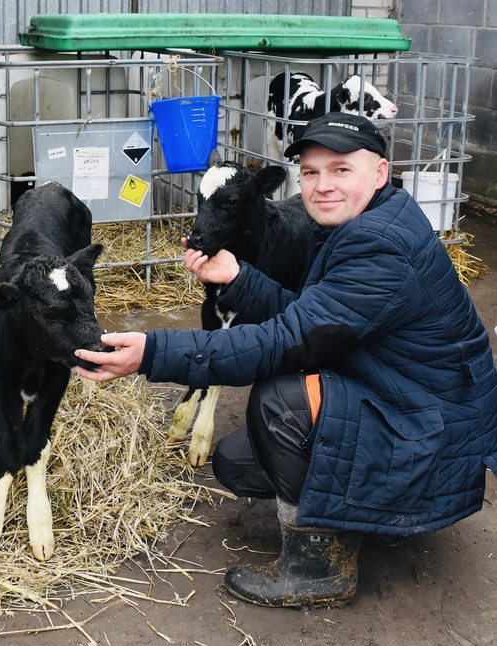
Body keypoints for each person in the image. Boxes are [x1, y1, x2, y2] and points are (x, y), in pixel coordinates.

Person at [75, 113, 497, 609]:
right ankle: (380, 515)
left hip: (432, 431)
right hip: (411, 403)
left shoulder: (378, 247)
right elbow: (314, 321)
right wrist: (239, 278)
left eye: (341, 170)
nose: (322, 186)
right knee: (239, 461)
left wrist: (153, 353)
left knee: (281, 401)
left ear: (380, 173)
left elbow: (287, 339)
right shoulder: (369, 218)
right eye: (312, 172)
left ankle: (320, 571)